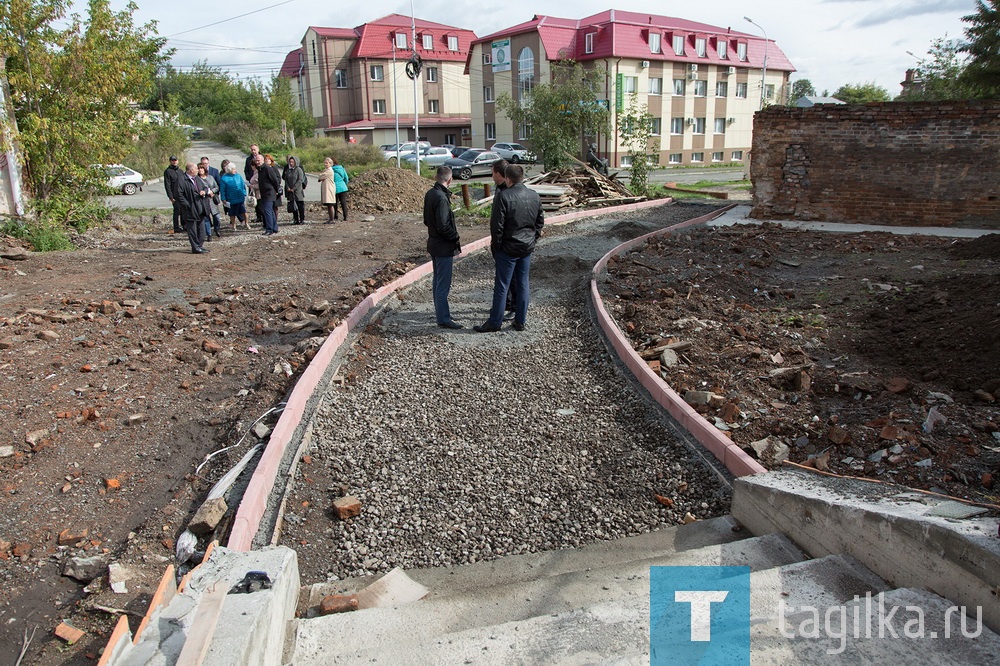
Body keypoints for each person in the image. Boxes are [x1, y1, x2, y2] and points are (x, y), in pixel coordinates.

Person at [474, 164, 544, 333]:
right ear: (522, 177)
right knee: (523, 284)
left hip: (507, 248)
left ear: (507, 178)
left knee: (502, 286)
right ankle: (520, 321)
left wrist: (497, 248)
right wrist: (532, 240)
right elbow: (539, 222)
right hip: (526, 247)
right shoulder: (534, 195)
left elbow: (496, 226)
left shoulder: (503, 197)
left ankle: (495, 322)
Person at [423, 166, 462, 329]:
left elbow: (427, 220)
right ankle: (443, 318)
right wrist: (455, 237)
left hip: (434, 243)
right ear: (450, 180)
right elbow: (443, 225)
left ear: (436, 176)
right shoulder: (441, 198)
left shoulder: (430, 194)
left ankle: (441, 313)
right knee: (443, 284)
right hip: (443, 246)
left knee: (438, 281)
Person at [491, 159, 516, 321]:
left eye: (493, 172)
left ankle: (513, 308)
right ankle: (505, 304)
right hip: (502, 242)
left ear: (500, 174)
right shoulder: (500, 190)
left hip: (508, 243)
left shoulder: (508, 194)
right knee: (504, 277)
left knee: (511, 278)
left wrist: (498, 244)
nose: (491, 175)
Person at [174, 162, 209, 254]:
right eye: (196, 169)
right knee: (192, 229)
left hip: (200, 207)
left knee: (201, 229)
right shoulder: (182, 179)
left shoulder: (197, 178)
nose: (198, 170)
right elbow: (178, 195)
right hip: (190, 209)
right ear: (191, 170)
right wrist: (187, 205)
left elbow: (205, 187)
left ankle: (200, 245)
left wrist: (203, 192)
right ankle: (195, 247)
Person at [256, 154, 282, 236]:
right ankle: (274, 228)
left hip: (269, 193)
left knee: (267, 211)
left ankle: (269, 229)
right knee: (270, 211)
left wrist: (277, 190)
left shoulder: (267, 168)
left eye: (259, 160)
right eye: (256, 161)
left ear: (263, 160)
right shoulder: (260, 169)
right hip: (264, 193)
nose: (257, 162)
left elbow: (275, 180)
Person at [219, 162, 249, 230]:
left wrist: (244, 193)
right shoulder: (224, 178)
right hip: (231, 198)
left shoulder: (238, 176)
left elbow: (243, 185)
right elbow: (222, 190)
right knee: (232, 214)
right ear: (229, 170)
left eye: (235, 169)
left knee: (244, 211)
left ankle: (246, 223)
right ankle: (233, 225)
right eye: (233, 169)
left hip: (240, 197)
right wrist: (223, 198)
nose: (235, 170)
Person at [197, 163, 222, 239]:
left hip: (212, 200)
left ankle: (217, 229)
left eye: (202, 168)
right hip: (204, 200)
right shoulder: (197, 179)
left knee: (216, 217)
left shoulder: (210, 177)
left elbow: (216, 186)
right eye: (199, 168)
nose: (201, 170)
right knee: (206, 218)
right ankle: (209, 234)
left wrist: (213, 191)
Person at [282, 156, 306, 224]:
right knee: (293, 205)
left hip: (297, 191)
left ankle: (302, 219)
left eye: (292, 162)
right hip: (290, 191)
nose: (291, 163)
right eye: (290, 162)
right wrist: (288, 187)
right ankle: (296, 219)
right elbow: (285, 179)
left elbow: (300, 180)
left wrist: (294, 188)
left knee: (300, 205)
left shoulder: (298, 170)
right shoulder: (288, 170)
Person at [163, 156, 183, 234]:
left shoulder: (180, 171)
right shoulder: (168, 171)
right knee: (177, 211)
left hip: (182, 194)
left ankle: (184, 225)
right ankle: (176, 227)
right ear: (170, 161)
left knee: (183, 211)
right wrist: (170, 196)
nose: (174, 162)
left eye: (175, 160)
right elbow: (167, 185)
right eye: (172, 160)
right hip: (174, 195)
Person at [318, 157, 336, 223]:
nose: (325, 164)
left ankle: (332, 219)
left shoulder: (329, 171)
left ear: (330, 164)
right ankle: (330, 219)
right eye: (325, 163)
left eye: (327, 163)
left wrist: (320, 176)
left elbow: (321, 176)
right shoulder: (326, 170)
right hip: (327, 189)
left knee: (330, 204)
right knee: (328, 205)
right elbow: (320, 176)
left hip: (329, 189)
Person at [332, 157, 350, 221]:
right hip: (343, 187)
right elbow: (346, 178)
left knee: (334, 203)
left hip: (334, 188)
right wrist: (344, 184)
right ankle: (345, 216)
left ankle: (335, 216)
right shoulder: (342, 168)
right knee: (343, 202)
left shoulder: (331, 170)